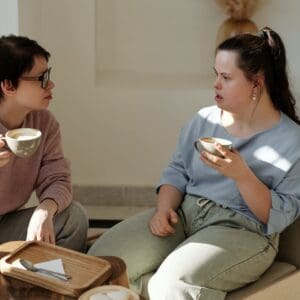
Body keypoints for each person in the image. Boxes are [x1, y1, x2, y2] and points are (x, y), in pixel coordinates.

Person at [88, 27, 300, 299]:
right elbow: (177, 171)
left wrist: (242, 175)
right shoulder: (204, 119)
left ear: (256, 84)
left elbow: (276, 217)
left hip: (243, 231)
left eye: (226, 77)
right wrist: (163, 209)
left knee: (170, 285)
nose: (215, 84)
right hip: (186, 215)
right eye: (216, 75)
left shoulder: (292, 142)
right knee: (99, 265)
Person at [0, 35, 88, 252]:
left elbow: (57, 178)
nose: (51, 84)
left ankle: (45, 280)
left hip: (6, 226)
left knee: (74, 218)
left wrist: (45, 210)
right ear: (8, 85)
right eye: (41, 78)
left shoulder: (44, 123)